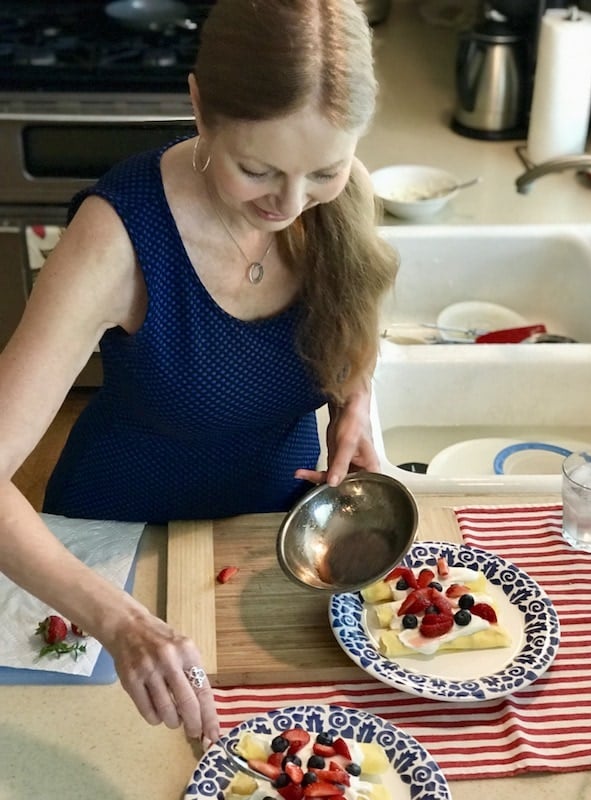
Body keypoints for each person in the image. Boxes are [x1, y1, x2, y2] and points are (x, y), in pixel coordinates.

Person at [0, 0, 398, 744]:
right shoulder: (116, 237)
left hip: (269, 534)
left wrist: (354, 400)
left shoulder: (343, 197)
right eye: (258, 170)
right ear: (197, 106)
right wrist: (119, 623)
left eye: (325, 170)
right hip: (117, 549)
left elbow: (353, 320)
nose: (289, 203)